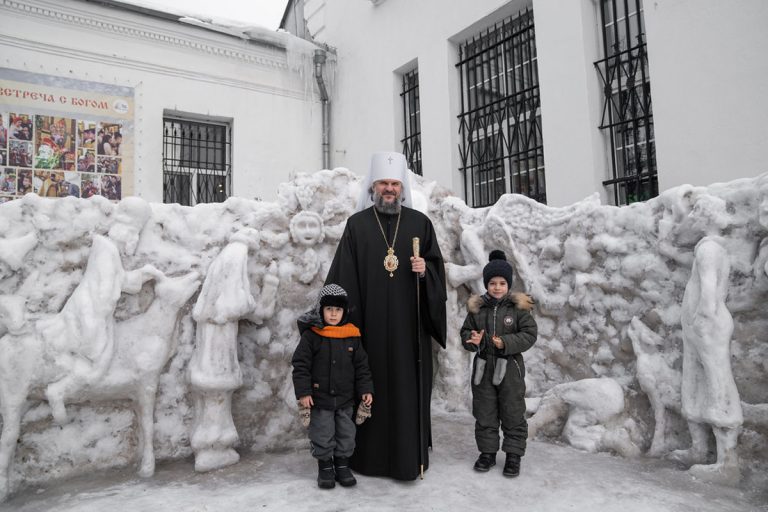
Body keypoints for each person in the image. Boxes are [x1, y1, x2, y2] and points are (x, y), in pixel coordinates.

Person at [325, 151, 447, 481]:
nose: (389, 189)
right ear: (372, 188)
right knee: (369, 388)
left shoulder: (420, 224)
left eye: (394, 183)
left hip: (410, 332)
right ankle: (369, 459)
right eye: (383, 183)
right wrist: (342, 326)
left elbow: (437, 275)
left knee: (407, 391)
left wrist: (426, 273)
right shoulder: (357, 226)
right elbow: (342, 278)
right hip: (370, 331)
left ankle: (410, 457)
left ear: (402, 188)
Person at [460, 250, 537, 478]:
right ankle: (487, 453)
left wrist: (505, 342)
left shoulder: (518, 309)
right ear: (486, 284)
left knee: (513, 412)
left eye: (502, 283)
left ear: (508, 284)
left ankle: (513, 456)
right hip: (483, 370)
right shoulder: (477, 309)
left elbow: (529, 334)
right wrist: (471, 340)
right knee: (485, 412)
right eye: (492, 283)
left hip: (510, 370)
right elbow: (466, 332)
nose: (497, 287)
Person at [292, 284, 374, 489]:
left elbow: (362, 367)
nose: (333, 314)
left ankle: (342, 465)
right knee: (322, 432)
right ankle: (325, 467)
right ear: (321, 310)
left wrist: (366, 389)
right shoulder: (312, 336)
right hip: (320, 399)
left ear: (344, 312)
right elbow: (300, 366)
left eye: (338, 310)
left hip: (345, 399)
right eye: (329, 309)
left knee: (346, 433)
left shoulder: (352, 336)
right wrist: (304, 392)